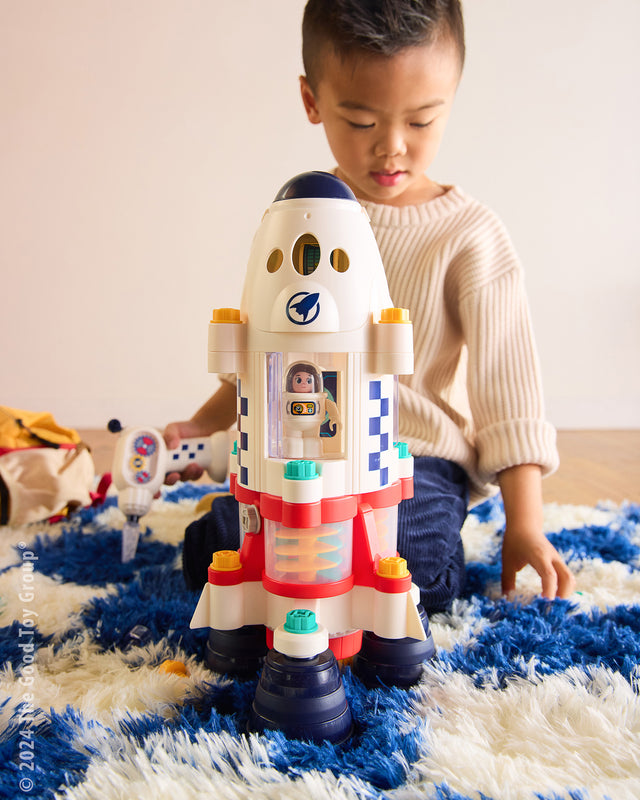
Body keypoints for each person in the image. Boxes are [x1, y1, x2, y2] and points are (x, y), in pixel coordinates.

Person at [167, 0, 575, 611]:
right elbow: (267, 348)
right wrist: (204, 426)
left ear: (451, 97)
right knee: (216, 552)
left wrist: (525, 523)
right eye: (360, 122)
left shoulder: (469, 234)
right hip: (298, 448)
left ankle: (427, 539)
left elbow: (507, 391)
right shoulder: (297, 223)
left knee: (412, 576)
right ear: (312, 101)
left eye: (421, 121)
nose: (391, 147)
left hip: (417, 456)